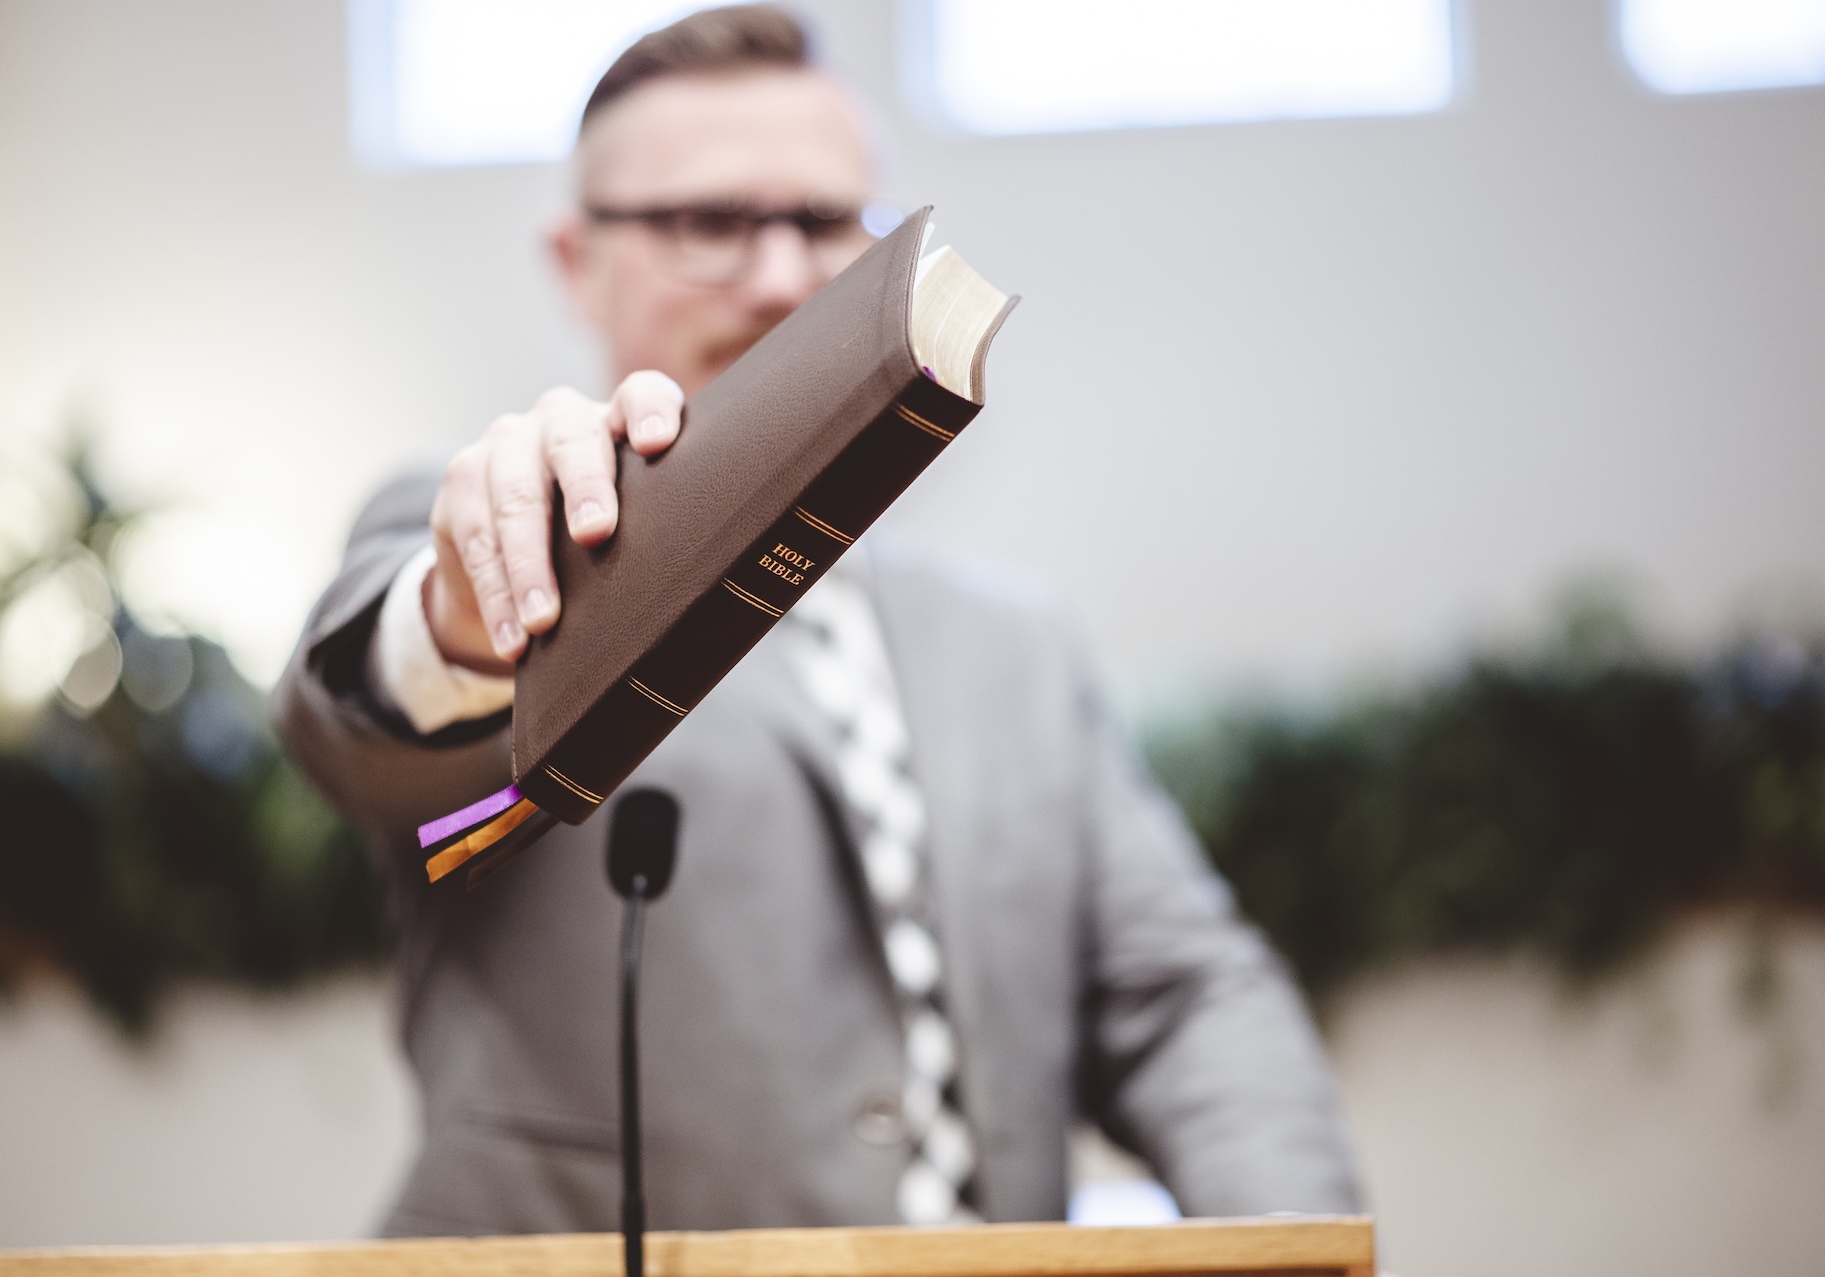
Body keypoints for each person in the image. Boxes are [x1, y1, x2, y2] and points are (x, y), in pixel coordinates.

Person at [277, 4, 1360, 1236]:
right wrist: (465, 614)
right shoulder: (479, 537)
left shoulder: (1012, 646)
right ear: (576, 261)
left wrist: (1299, 1243)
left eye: (828, 220)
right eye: (710, 222)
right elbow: (373, 738)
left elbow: (1178, 998)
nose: (787, 275)